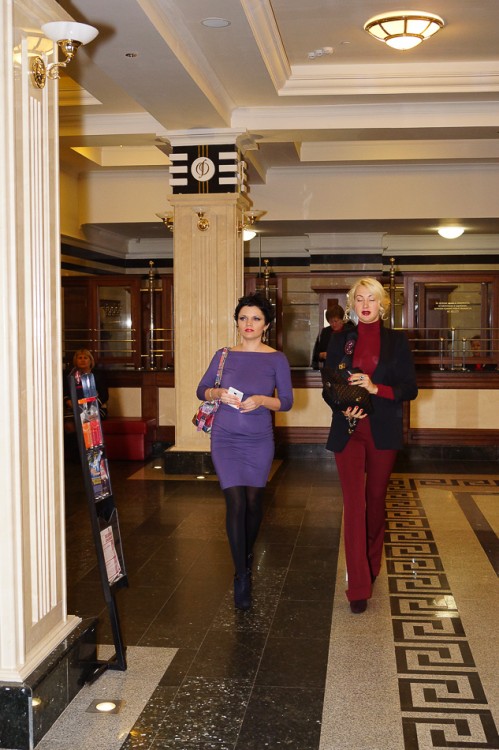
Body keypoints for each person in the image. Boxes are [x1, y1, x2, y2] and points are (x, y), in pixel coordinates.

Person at [324, 278, 418, 614]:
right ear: (352, 304)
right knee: (354, 504)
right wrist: (341, 406)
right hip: (348, 429)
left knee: (375, 501)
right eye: (360, 299)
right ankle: (358, 587)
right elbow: (328, 385)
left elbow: (410, 388)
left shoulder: (397, 341)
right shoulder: (339, 339)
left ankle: (371, 562)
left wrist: (377, 388)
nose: (366, 305)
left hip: (382, 429)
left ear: (382, 304)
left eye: (372, 299)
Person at [196, 292, 293, 611]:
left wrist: (262, 400)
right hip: (225, 438)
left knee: (253, 503)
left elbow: (287, 402)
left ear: (266, 324)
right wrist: (217, 393)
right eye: (243, 318)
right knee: (235, 502)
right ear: (236, 322)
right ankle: (242, 574)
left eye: (255, 318)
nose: (248, 323)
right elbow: (201, 389)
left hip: (259, 440)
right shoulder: (223, 355)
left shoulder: (276, 359)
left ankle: (246, 553)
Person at [64, 349, 109, 432]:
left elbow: (104, 396)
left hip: (95, 407)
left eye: (85, 358)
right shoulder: (70, 375)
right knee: (69, 425)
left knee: (87, 420)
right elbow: (65, 394)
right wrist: (69, 402)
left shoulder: (98, 375)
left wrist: (91, 406)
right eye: (80, 358)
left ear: (90, 361)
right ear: (75, 361)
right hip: (74, 407)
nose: (82, 360)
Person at [311, 305, 346, 369]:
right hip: (329, 369)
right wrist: (322, 355)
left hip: (346, 368)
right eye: (331, 322)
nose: (334, 324)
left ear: (341, 319)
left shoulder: (350, 331)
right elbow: (316, 355)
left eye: (336, 321)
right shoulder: (325, 332)